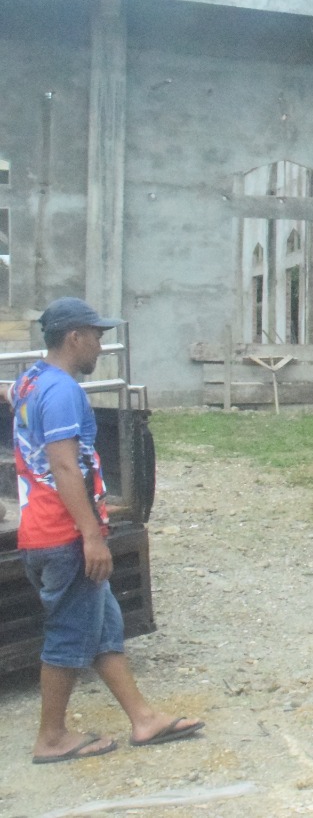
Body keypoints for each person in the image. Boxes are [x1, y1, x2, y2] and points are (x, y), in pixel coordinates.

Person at [10, 297, 203, 763]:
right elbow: (63, 465)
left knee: (103, 627)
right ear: (74, 336)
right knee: (68, 634)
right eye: (96, 334)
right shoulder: (62, 392)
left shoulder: (30, 381)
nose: (101, 343)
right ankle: (51, 738)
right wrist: (92, 537)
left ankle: (143, 718)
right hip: (63, 537)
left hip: (45, 530)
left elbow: (13, 397)